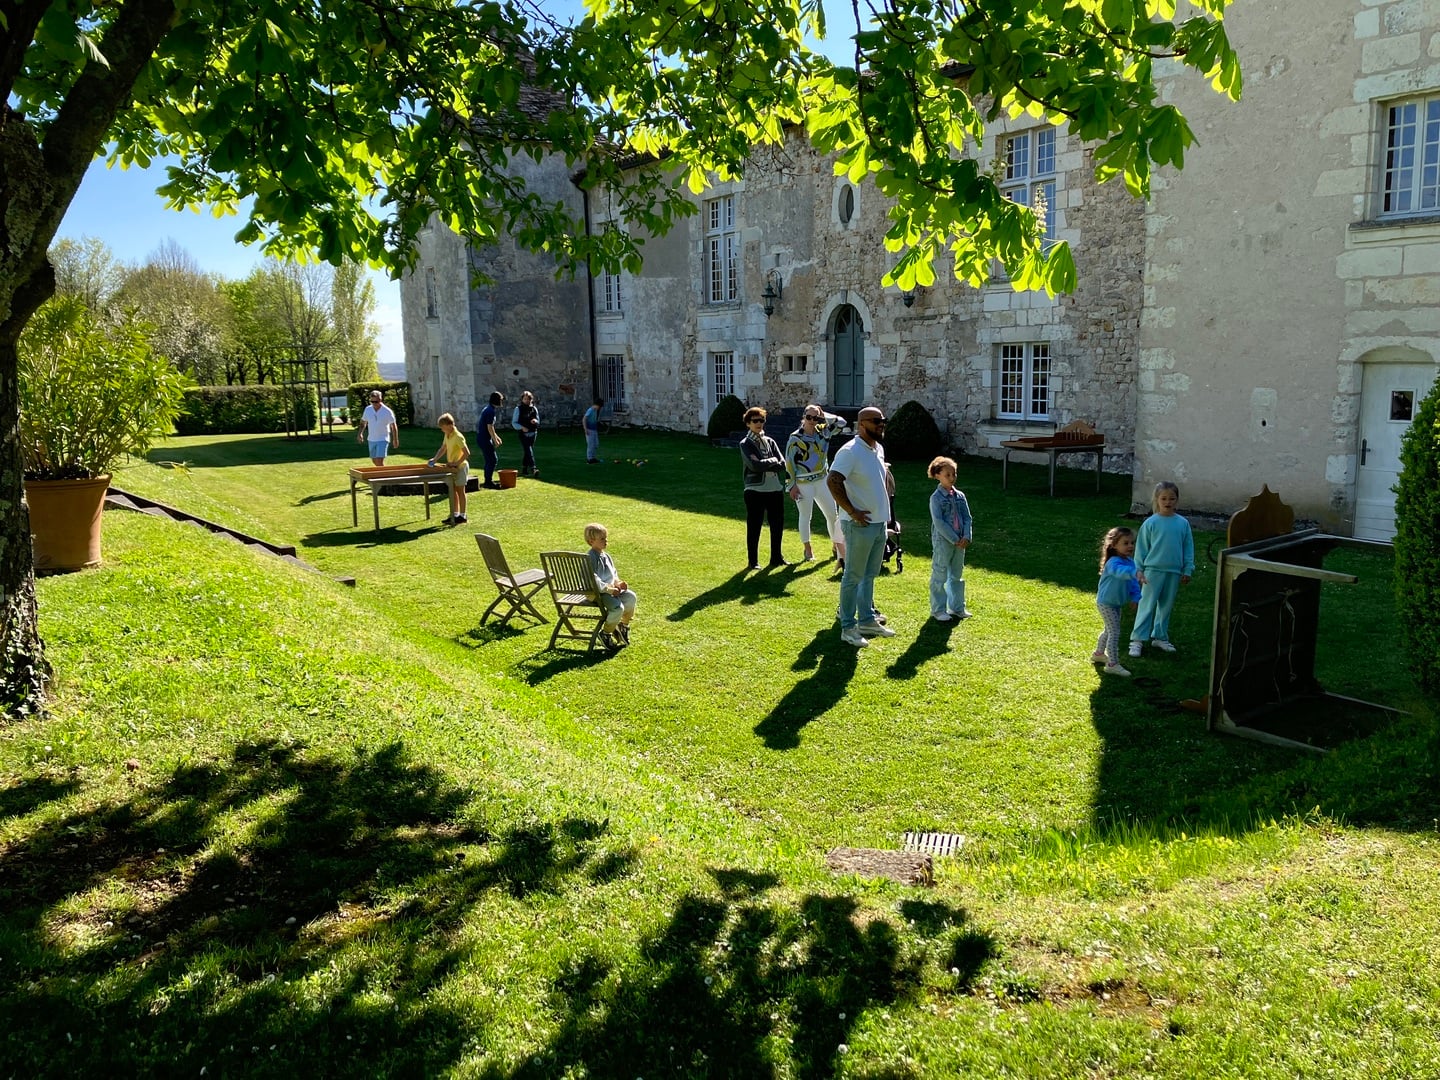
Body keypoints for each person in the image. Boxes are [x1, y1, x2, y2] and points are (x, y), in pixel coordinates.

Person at [827, 406, 897, 647]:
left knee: (869, 574)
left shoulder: (877, 448)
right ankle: (848, 626)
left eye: (883, 421)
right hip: (858, 525)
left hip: (878, 524)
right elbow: (833, 480)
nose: (881, 424)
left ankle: (867, 620)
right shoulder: (850, 451)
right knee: (853, 576)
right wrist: (852, 511)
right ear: (862, 424)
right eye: (876, 421)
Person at [1129, 481, 1194, 657]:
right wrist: (1139, 569)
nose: (1168, 502)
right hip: (1152, 571)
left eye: (1172, 498)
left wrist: (1187, 569)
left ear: (1177, 501)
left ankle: (1160, 636)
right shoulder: (1151, 523)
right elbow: (1141, 549)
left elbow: (1188, 548)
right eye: (1164, 498)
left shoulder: (1183, 523)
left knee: (1166, 606)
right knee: (1147, 604)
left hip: (1173, 572)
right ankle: (1137, 640)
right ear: (1157, 500)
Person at [784, 405, 847, 564]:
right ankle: (808, 549)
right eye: (809, 417)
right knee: (806, 516)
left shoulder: (824, 431)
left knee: (832, 515)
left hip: (822, 480)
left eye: (815, 418)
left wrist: (823, 414)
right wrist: (791, 486)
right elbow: (789, 463)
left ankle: (836, 545)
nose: (812, 421)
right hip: (803, 482)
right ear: (804, 417)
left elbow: (842, 423)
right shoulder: (795, 438)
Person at [740, 406, 789, 570]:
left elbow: (783, 464)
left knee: (777, 525)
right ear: (748, 423)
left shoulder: (770, 441)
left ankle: (776, 557)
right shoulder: (745, 443)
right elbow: (754, 465)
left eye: (761, 420)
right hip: (755, 490)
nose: (759, 423)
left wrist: (768, 463)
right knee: (754, 526)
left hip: (774, 489)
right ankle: (752, 561)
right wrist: (772, 461)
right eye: (755, 421)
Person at [927, 455, 973, 622]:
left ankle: (957, 607)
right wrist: (954, 539)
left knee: (956, 574)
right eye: (947, 475)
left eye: (954, 474)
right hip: (944, 542)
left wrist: (966, 536)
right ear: (937, 475)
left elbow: (967, 518)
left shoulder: (960, 496)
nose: (952, 478)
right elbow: (939, 522)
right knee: (939, 574)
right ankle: (938, 609)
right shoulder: (936, 498)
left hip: (960, 542)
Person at [1093, 526, 1141, 675]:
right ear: (1114, 545)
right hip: (1106, 602)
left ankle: (1099, 654)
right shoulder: (1113, 562)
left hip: (1116, 603)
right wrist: (1135, 572)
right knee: (1114, 631)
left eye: (1132, 543)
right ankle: (1112, 664)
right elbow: (1120, 573)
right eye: (1125, 543)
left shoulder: (1130, 562)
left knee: (1109, 629)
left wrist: (1135, 597)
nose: (1130, 546)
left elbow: (1133, 583)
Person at [584, 522, 637, 650]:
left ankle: (623, 625)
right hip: (598, 593)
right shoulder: (591, 557)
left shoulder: (606, 556)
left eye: (606, 538)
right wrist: (609, 590)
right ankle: (606, 633)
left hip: (611, 590)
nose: (606, 541)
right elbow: (593, 579)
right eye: (602, 539)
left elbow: (613, 574)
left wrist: (618, 583)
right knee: (617, 608)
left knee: (631, 597)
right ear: (591, 541)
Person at [426, 412, 470, 525]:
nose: (442, 430)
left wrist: (456, 463)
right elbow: (443, 448)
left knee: (461, 490)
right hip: (452, 468)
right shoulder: (447, 435)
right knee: (453, 490)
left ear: (449, 425)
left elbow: (466, 453)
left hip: (461, 467)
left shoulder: (458, 437)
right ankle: (454, 514)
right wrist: (435, 459)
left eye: (443, 428)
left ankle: (463, 515)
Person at [356, 389, 398, 466]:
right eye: (372, 402)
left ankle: (384, 476)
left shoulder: (387, 411)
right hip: (371, 439)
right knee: (374, 461)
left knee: (379, 460)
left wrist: (395, 439)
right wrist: (360, 434)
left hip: (383, 439)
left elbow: (393, 425)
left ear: (380, 400)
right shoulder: (368, 409)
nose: (374, 404)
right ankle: (385, 474)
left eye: (376, 402)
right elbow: (363, 422)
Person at [478, 391, 504, 488]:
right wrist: (495, 440)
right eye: (501, 400)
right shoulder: (490, 411)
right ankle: (488, 482)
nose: (502, 401)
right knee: (493, 460)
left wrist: (496, 437)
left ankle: (487, 480)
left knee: (489, 460)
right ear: (496, 400)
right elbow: (490, 427)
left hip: (482, 438)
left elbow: (490, 427)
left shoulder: (488, 409)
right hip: (484, 439)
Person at [513, 390, 540, 476]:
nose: (527, 401)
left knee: (528, 451)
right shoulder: (518, 409)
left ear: (531, 400)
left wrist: (535, 421)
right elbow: (514, 423)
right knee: (528, 450)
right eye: (525, 399)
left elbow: (538, 420)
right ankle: (533, 468)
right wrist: (521, 427)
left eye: (528, 399)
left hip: (533, 433)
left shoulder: (534, 409)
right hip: (523, 434)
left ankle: (524, 469)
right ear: (522, 399)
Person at [583, 396, 603, 463]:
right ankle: (589, 459)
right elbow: (584, 419)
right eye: (599, 407)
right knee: (590, 445)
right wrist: (585, 429)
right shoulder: (590, 410)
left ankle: (593, 458)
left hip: (594, 430)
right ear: (596, 405)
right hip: (589, 430)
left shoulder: (595, 410)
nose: (599, 408)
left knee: (596, 444)